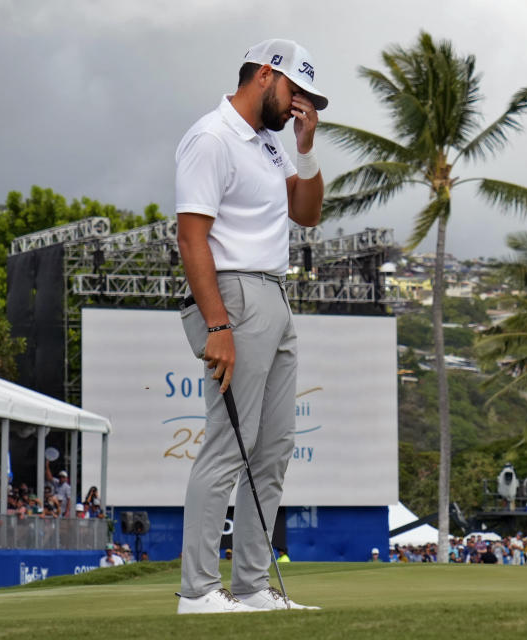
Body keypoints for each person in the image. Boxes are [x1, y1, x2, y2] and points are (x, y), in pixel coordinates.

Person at [174, 37, 326, 615]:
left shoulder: (268, 145)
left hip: (274, 295)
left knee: (273, 448)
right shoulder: (212, 137)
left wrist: (306, 150)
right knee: (227, 444)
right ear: (265, 76)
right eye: (294, 92)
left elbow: (306, 213)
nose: (298, 106)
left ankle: (253, 586)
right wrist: (217, 324)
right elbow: (191, 237)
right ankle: (197, 591)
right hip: (234, 293)